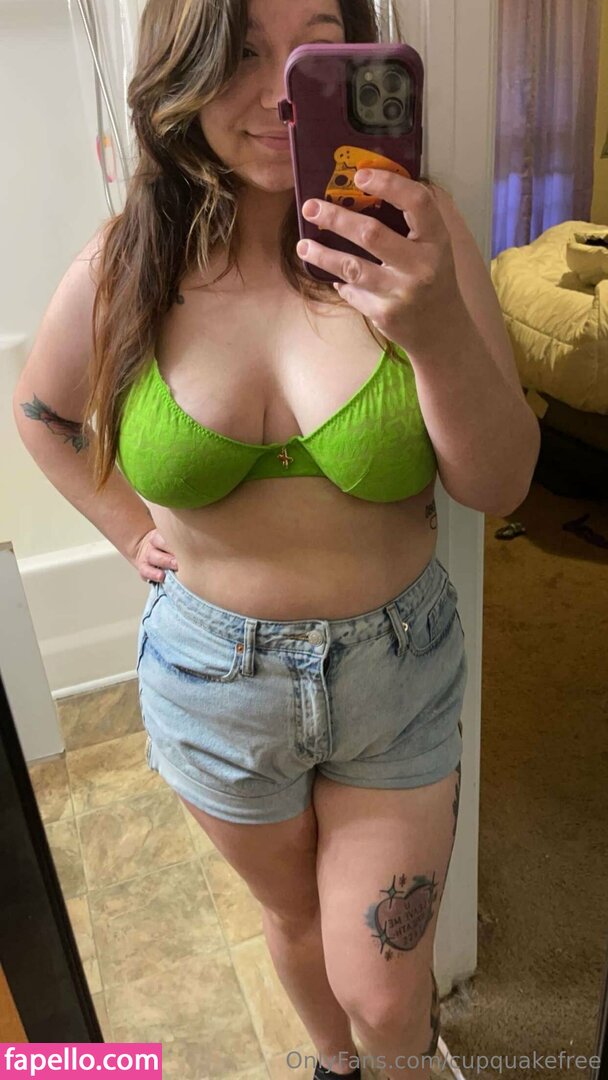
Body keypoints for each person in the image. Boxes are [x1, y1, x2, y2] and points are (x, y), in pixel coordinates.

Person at [13, 0, 540, 1076]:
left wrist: (431, 326)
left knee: (385, 987)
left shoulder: (421, 235)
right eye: (242, 52)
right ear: (184, 69)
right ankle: (330, 1068)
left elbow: (497, 484)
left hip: (394, 671)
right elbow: (41, 414)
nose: (278, 92)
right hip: (213, 682)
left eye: (312, 46)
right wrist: (126, 531)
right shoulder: (130, 261)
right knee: (293, 921)